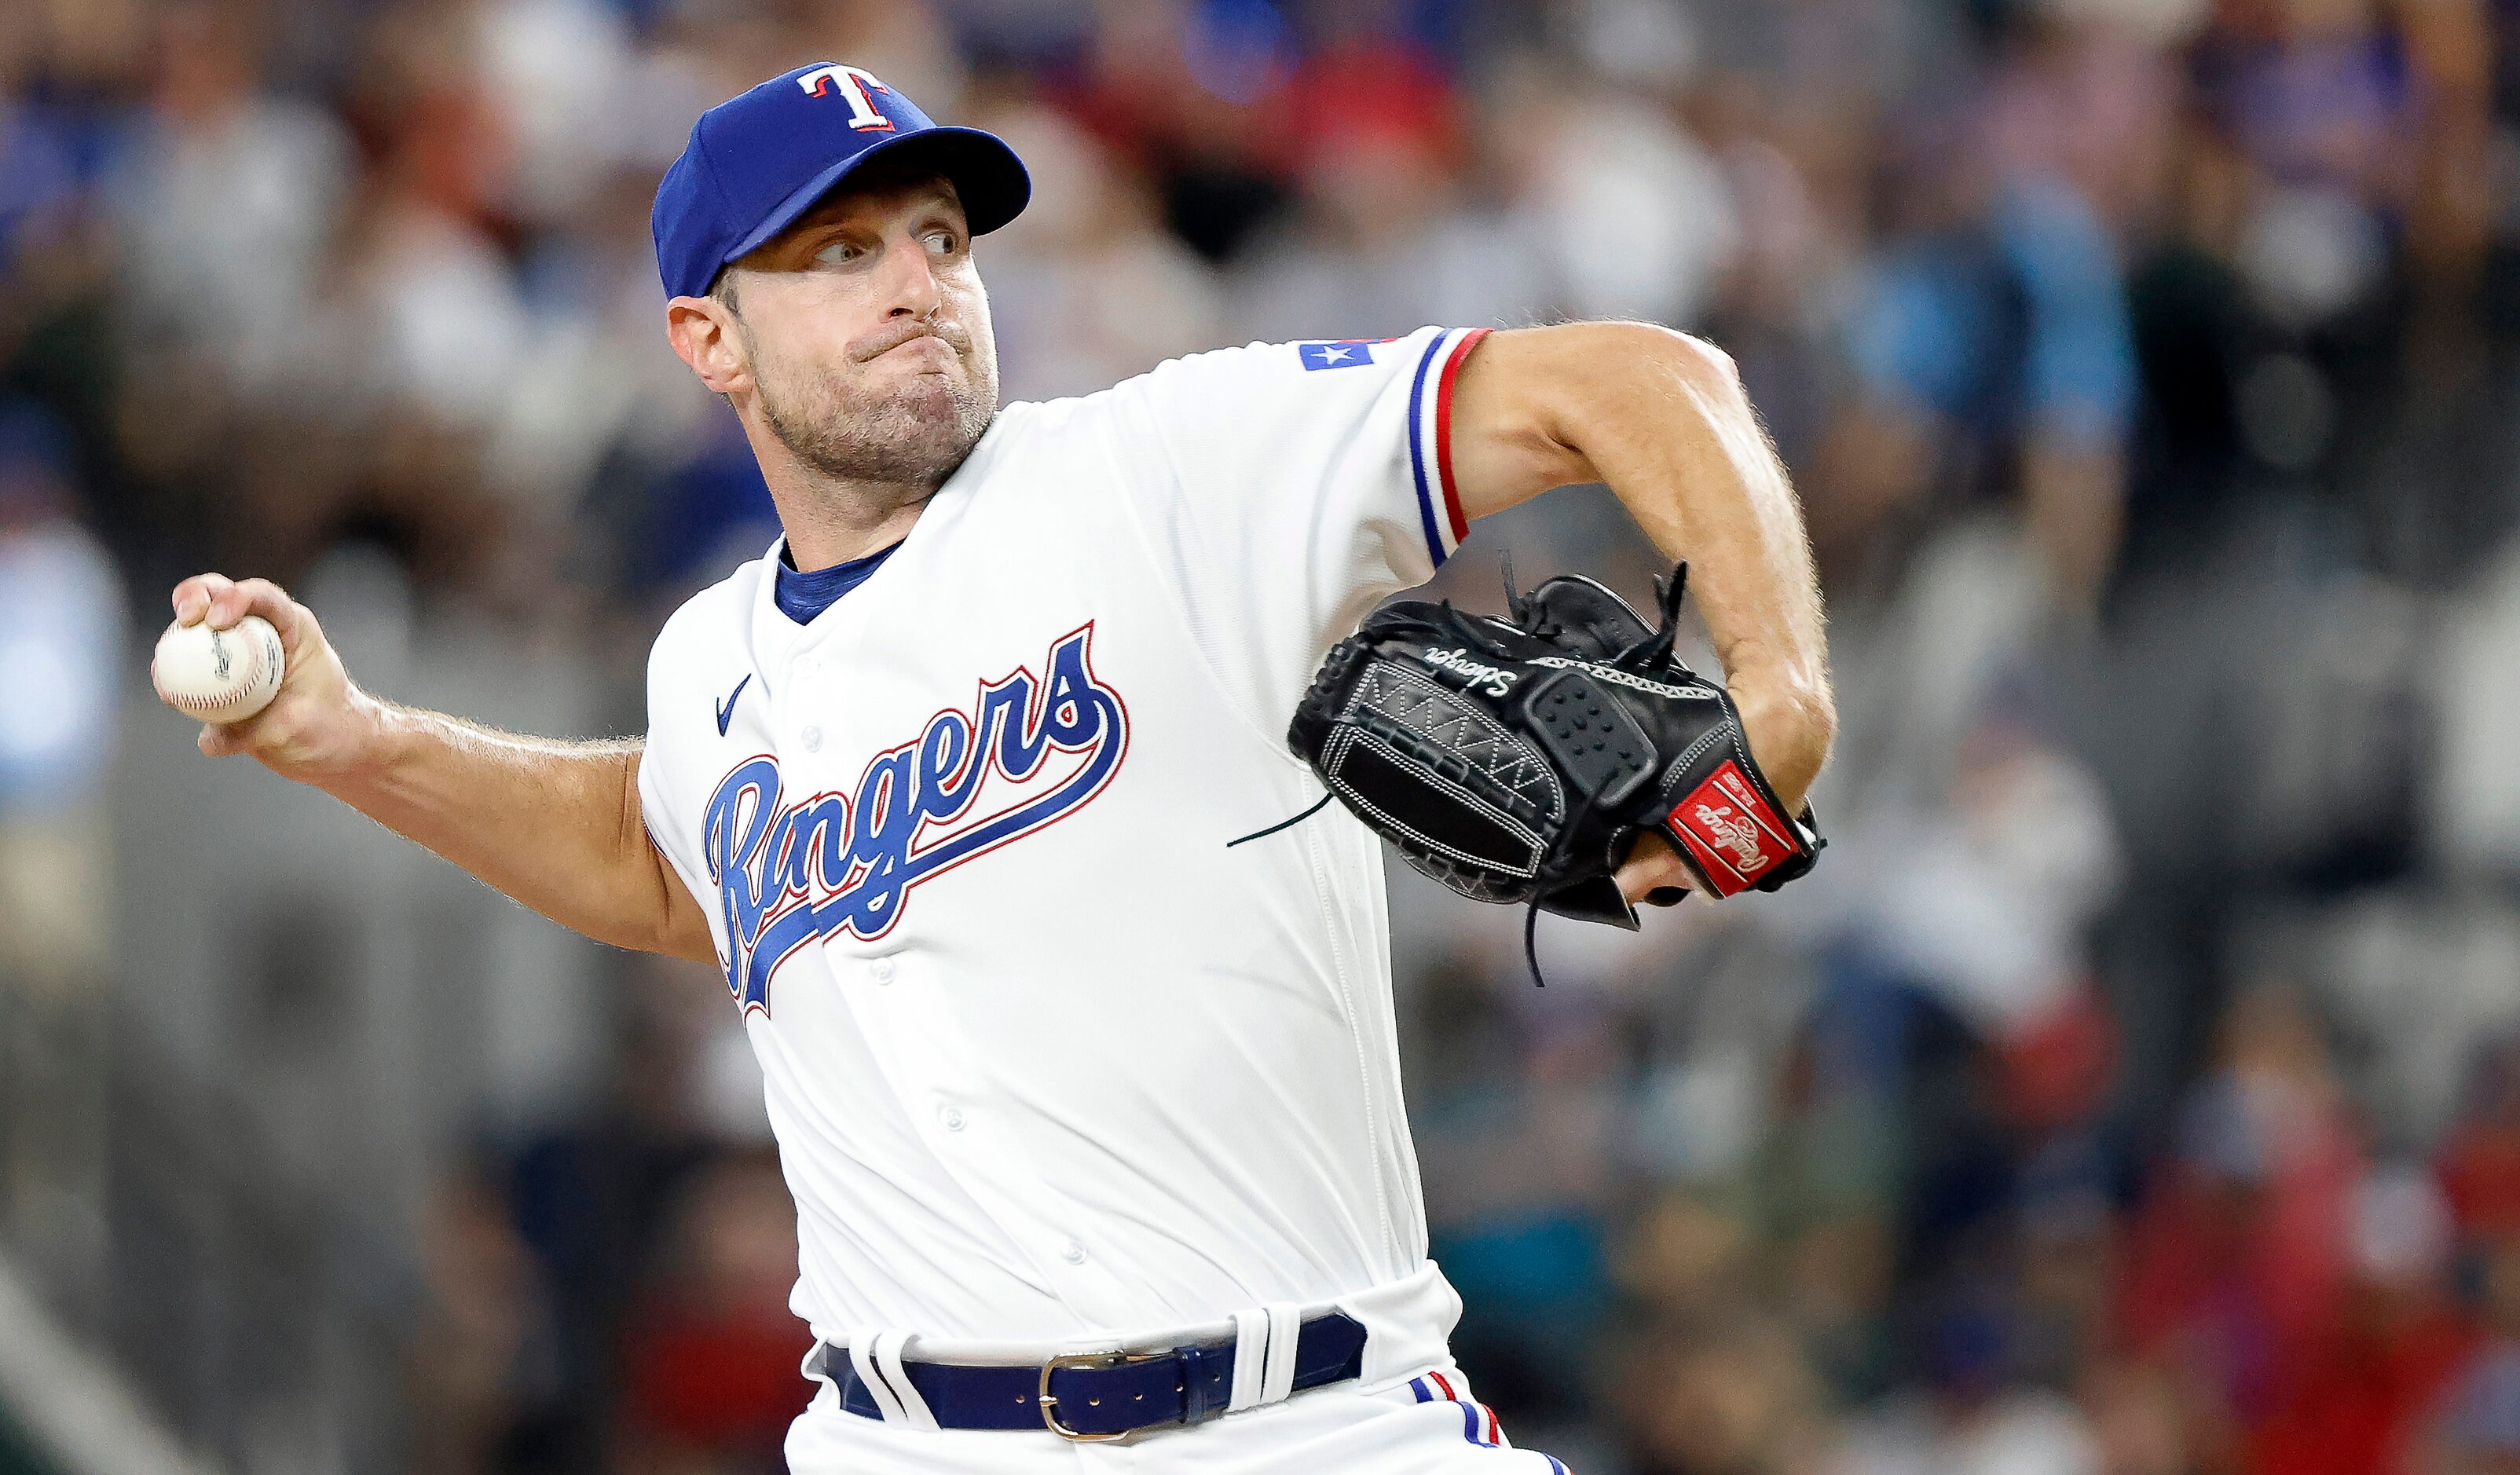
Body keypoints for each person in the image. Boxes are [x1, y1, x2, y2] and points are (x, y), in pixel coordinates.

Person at [165, 64, 1833, 1472]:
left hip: (1307, 1422)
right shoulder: (707, 662)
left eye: (937, 238)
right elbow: (656, 855)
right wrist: (357, 743)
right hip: (903, 1438)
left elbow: (1639, 381)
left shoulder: (1169, 468)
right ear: (707, 339)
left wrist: (1778, 693)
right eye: (835, 253)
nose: (912, 281)